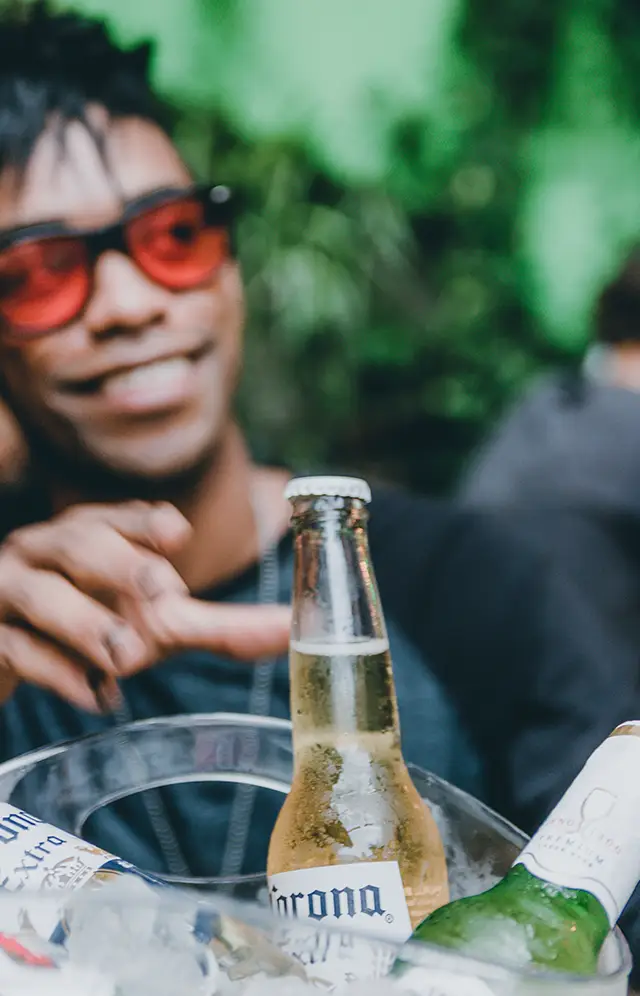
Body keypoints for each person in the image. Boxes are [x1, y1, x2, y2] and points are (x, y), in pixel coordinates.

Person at [0, 1, 634, 921]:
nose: (130, 303)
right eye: (38, 276)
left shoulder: (468, 592)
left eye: (173, 236)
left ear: (232, 269)